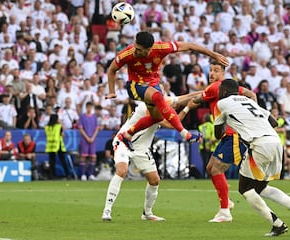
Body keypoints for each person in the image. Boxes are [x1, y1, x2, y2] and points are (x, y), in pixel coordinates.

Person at [214, 79, 290, 236]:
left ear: (224, 91)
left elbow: (218, 134)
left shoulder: (221, 103)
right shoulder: (248, 101)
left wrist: (233, 125)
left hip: (259, 144)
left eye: (220, 91)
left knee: (245, 188)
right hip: (275, 141)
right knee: (261, 187)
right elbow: (273, 122)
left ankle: (277, 224)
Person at [105, 31, 229, 151]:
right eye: (135, 46)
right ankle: (185, 133)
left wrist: (214, 55)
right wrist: (112, 91)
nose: (135, 50)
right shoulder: (127, 54)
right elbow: (111, 70)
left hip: (153, 85)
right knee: (158, 97)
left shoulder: (161, 48)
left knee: (156, 117)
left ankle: (127, 135)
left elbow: (190, 45)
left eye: (139, 49)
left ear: (149, 49)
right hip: (135, 85)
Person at [102, 91, 199, 222]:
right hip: (124, 141)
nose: (162, 94)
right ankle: (107, 210)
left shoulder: (159, 106)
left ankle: (147, 213)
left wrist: (193, 103)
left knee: (154, 181)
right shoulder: (145, 106)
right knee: (122, 171)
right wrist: (192, 104)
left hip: (142, 148)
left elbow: (177, 112)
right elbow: (173, 116)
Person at [192, 61, 256, 222]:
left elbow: (194, 100)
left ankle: (225, 211)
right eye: (210, 70)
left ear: (223, 74)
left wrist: (180, 109)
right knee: (210, 167)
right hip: (227, 136)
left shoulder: (215, 87)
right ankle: (227, 202)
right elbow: (252, 95)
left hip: (234, 135)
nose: (211, 74)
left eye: (216, 71)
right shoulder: (226, 88)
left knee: (216, 169)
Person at [78, 102, 99, 181]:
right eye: (88, 107)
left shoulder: (94, 117)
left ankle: (90, 174)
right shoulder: (82, 116)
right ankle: (83, 174)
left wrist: (92, 137)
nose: (89, 108)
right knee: (83, 156)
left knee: (93, 157)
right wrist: (87, 137)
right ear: (86, 107)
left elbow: (96, 128)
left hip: (92, 139)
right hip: (85, 139)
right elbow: (80, 128)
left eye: (91, 107)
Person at [45, 114, 69, 179]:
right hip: (58, 145)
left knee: (52, 161)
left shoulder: (47, 127)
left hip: (50, 146)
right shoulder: (58, 127)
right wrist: (61, 124)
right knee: (63, 160)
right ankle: (67, 174)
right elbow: (62, 134)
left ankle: (52, 175)